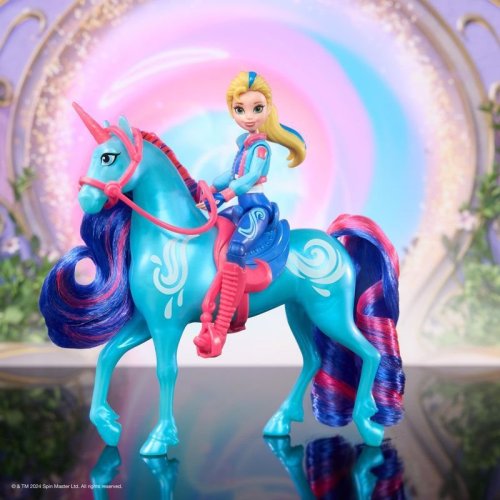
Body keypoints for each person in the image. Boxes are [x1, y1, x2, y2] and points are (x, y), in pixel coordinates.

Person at [195, 71, 306, 353]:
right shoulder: (243, 146)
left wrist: (224, 195)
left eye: (256, 108)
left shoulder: (261, 148)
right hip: (239, 208)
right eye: (240, 109)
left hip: (256, 208)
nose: (248, 116)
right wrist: (209, 188)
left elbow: (248, 179)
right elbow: (230, 174)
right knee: (211, 229)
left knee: (236, 248)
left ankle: (221, 327)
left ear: (267, 109)